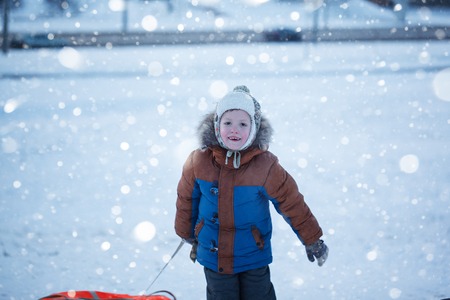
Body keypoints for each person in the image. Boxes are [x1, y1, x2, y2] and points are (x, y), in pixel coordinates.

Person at [175, 85, 329, 300]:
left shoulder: (265, 166)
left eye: (243, 124)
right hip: (214, 254)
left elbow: (291, 202)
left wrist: (312, 239)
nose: (234, 129)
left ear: (254, 128)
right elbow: (186, 199)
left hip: (253, 254)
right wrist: (187, 233)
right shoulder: (199, 161)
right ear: (217, 125)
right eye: (227, 123)